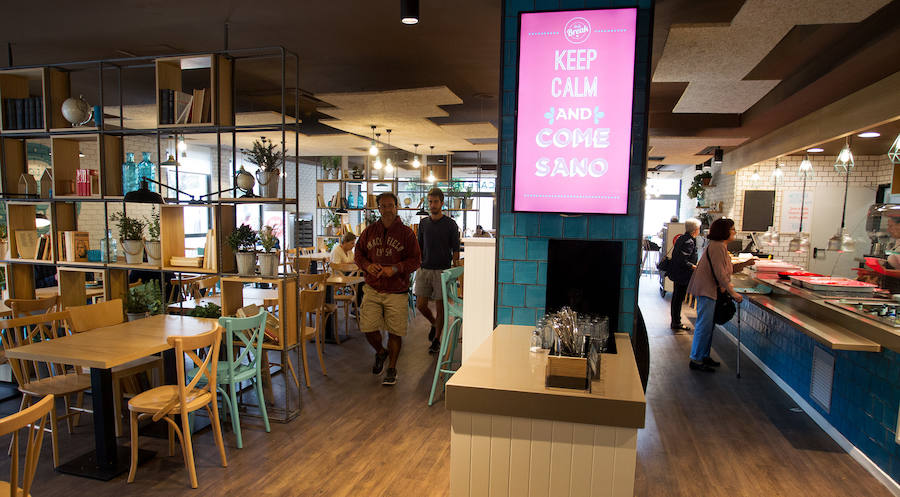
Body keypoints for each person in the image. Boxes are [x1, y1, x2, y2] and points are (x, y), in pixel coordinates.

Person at [354, 192, 421, 386]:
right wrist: (367, 266)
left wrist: (395, 269)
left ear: (396, 207)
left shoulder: (407, 233)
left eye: (390, 205)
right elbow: (358, 254)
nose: (387, 209)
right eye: (383, 206)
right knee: (367, 327)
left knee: (395, 331)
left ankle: (392, 368)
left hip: (396, 290)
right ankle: (381, 352)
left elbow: (416, 260)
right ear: (378, 208)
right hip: (373, 288)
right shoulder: (369, 231)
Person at [686, 218, 755, 372]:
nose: (735, 232)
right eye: (732, 229)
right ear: (724, 231)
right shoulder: (717, 247)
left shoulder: (720, 247)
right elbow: (720, 274)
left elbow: (727, 269)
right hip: (707, 290)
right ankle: (696, 359)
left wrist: (746, 263)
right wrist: (733, 292)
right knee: (704, 326)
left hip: (709, 290)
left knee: (708, 326)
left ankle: (704, 356)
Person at [415, 188, 461, 354]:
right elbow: (419, 246)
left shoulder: (450, 224)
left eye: (435, 202)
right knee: (420, 305)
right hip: (424, 269)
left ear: (442, 203)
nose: (432, 205)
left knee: (441, 307)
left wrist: (455, 271)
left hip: (442, 271)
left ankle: (436, 340)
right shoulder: (423, 223)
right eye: (430, 201)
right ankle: (434, 323)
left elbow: (456, 250)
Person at [668, 218, 700, 332]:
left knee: (676, 298)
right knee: (678, 298)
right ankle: (676, 322)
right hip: (683, 275)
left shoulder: (682, 238)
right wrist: (693, 266)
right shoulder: (689, 241)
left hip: (677, 273)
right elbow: (683, 260)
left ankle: (675, 321)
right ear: (695, 230)